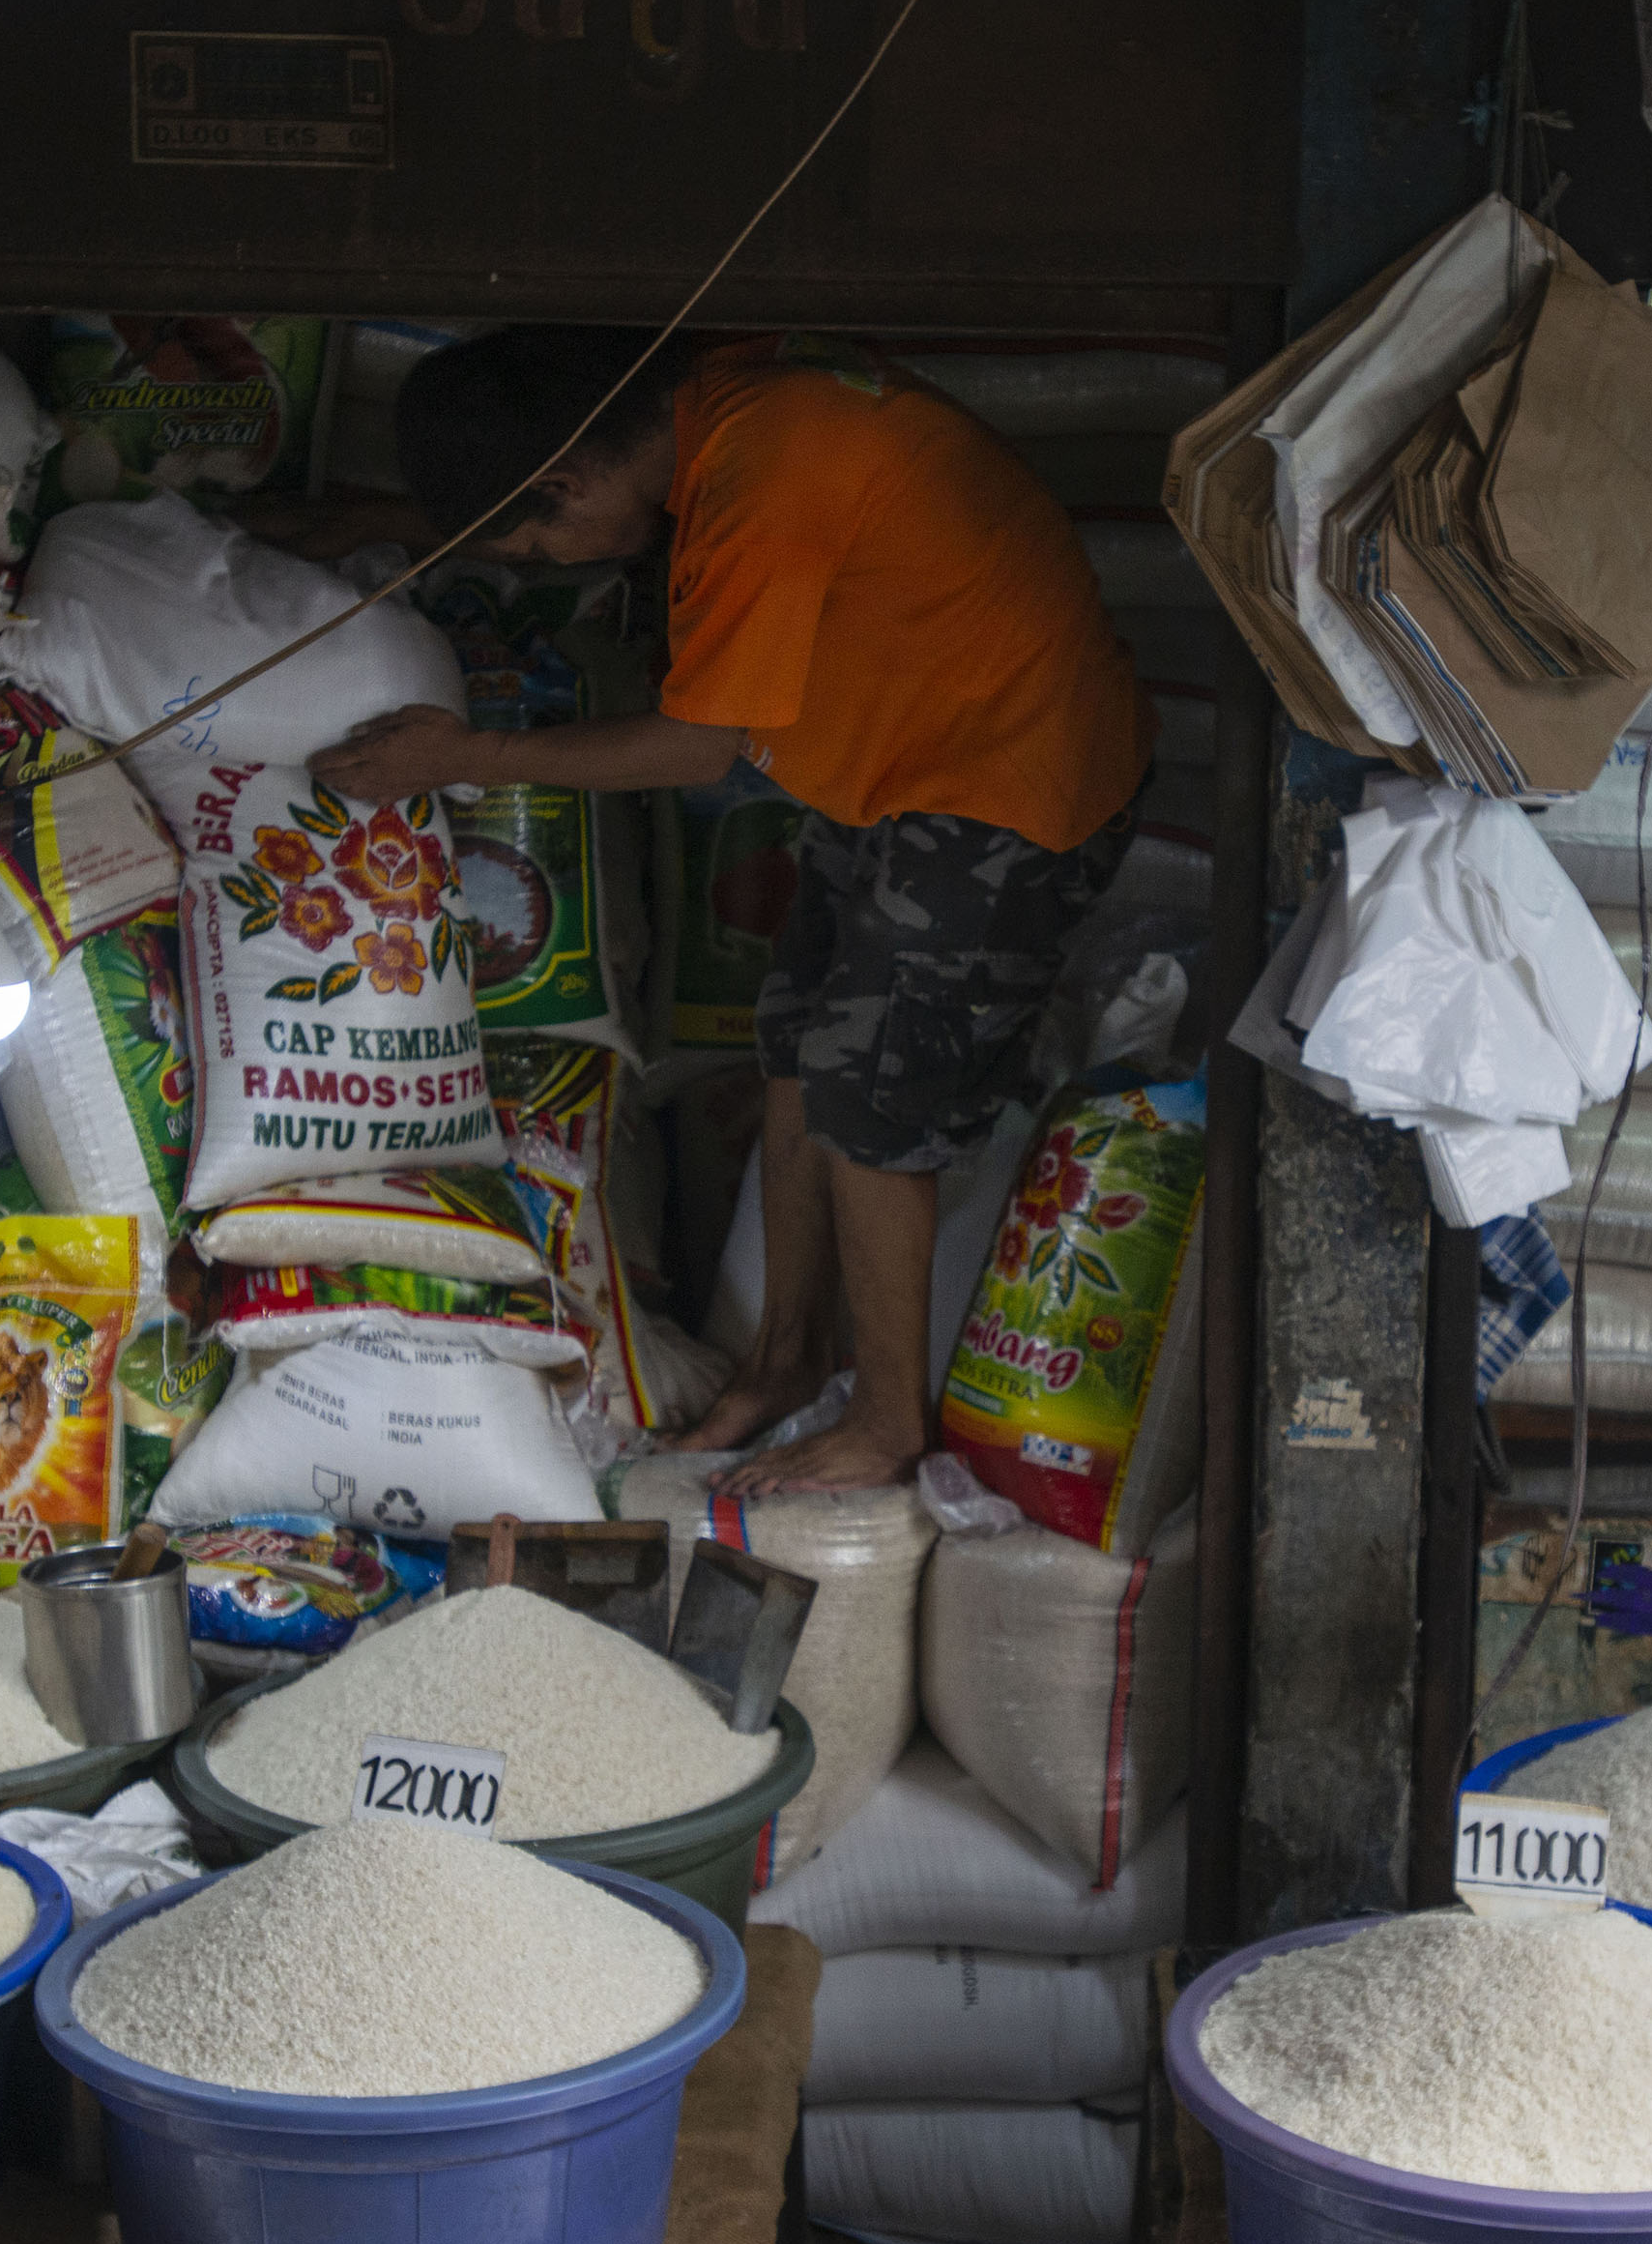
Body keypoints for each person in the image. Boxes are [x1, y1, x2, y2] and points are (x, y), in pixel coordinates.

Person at [314, 328, 1150, 1494]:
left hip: (1002, 779)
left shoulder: (764, 473)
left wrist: (472, 753)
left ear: (566, 478)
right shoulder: (720, 409)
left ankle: (889, 1424)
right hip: (905, 758)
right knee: (798, 1038)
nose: (556, 557)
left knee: (871, 1096)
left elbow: (698, 748)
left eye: (540, 535)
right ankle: (788, 1361)